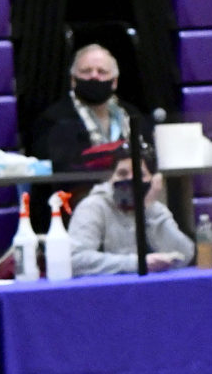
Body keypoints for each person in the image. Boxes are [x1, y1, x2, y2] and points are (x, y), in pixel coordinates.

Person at [29, 44, 150, 175]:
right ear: (73, 80)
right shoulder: (53, 120)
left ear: (114, 82)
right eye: (86, 71)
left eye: (102, 72)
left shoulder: (132, 114)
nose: (94, 76)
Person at [69, 154, 194, 277]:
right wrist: (137, 263)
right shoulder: (93, 206)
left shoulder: (155, 209)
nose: (130, 179)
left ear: (154, 180)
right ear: (111, 178)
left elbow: (185, 255)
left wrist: (150, 210)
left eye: (139, 175)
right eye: (122, 174)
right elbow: (75, 260)